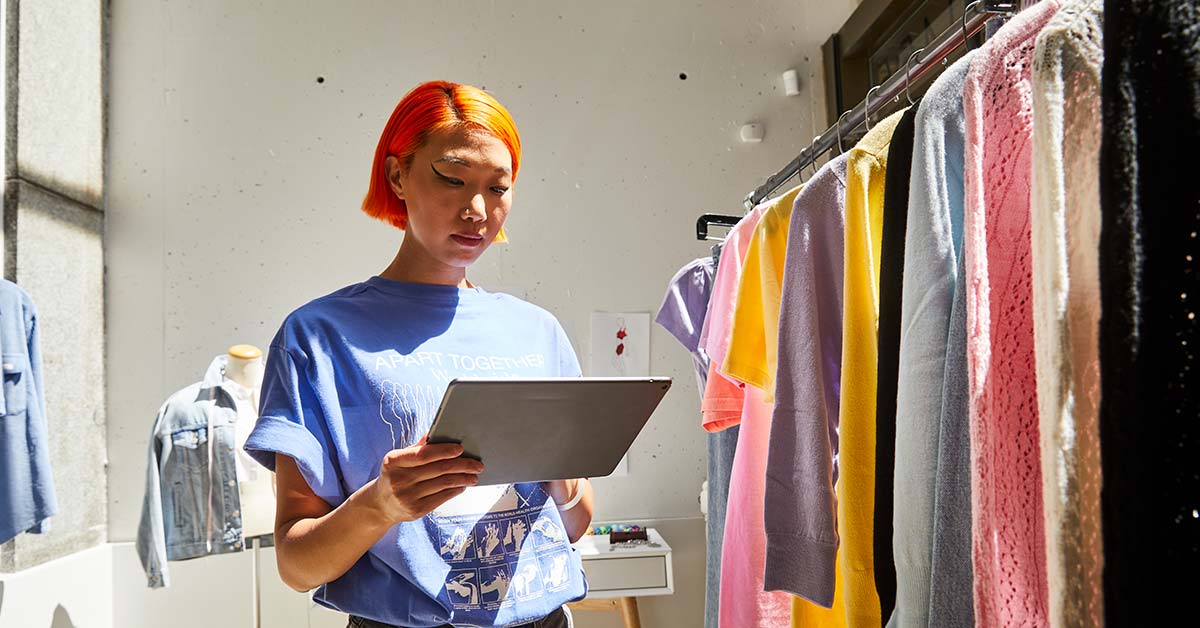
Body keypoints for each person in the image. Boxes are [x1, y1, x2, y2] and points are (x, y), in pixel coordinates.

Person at [244, 80, 594, 628]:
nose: (477, 209)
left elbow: (575, 527)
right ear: (396, 175)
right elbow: (296, 565)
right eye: (452, 179)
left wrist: (565, 483)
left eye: (498, 188)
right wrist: (380, 503)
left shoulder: (538, 332)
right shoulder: (319, 337)